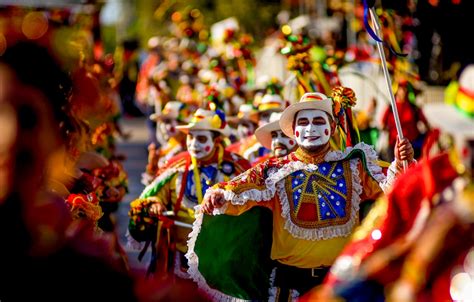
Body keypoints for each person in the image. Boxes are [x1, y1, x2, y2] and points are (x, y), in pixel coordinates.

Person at [188, 87, 414, 301]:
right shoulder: (274, 170)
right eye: (303, 122)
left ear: (332, 127)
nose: (310, 129)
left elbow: (393, 191)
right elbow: (238, 187)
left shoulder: (355, 167)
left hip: (339, 283)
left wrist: (402, 161)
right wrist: (219, 195)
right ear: (294, 131)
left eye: (318, 122)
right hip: (289, 285)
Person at [128, 109, 251, 279]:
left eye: (201, 139)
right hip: (181, 255)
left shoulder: (238, 167)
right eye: (190, 137)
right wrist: (155, 203)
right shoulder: (176, 166)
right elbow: (152, 195)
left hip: (224, 255)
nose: (194, 144)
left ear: (216, 141)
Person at [142, 101, 189, 185]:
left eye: (167, 121)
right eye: (162, 122)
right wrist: (152, 165)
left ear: (182, 123)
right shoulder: (167, 146)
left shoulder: (189, 148)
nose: (163, 126)